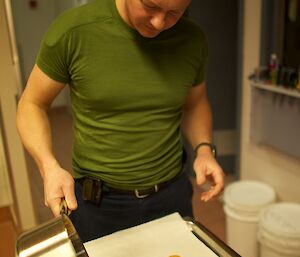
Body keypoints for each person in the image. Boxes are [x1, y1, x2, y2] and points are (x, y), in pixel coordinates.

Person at [16, 0, 225, 242]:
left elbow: (195, 103)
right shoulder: (73, 31)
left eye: (173, 14)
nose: (159, 22)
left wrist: (204, 149)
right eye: (150, 6)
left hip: (171, 194)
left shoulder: (192, 39)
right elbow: (32, 103)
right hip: (98, 205)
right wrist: (48, 167)